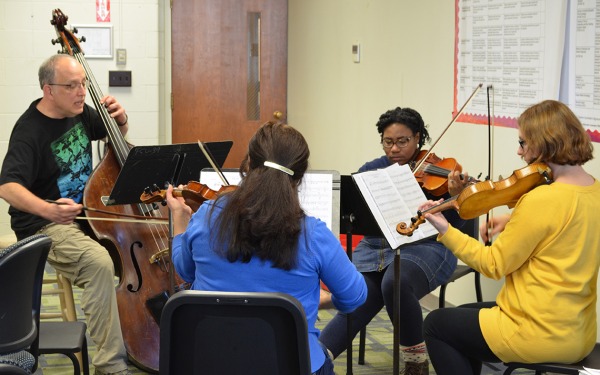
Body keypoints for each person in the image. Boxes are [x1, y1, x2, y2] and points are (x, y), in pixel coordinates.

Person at [165, 121, 368, 375]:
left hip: (209, 361)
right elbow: (354, 298)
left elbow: (185, 270)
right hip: (292, 365)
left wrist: (180, 222)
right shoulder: (314, 235)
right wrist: (324, 300)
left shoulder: (207, 214)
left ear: (248, 164)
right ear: (300, 176)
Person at [421, 99, 600, 375]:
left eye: (523, 143)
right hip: (579, 332)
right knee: (465, 314)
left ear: (544, 143)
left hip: (537, 334)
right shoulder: (593, 190)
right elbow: (563, 231)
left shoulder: (541, 199)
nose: (519, 151)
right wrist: (511, 219)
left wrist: (446, 230)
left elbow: (494, 264)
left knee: (436, 324)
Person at [0, 54, 132, 375]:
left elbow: (115, 134)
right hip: (45, 224)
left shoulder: (80, 113)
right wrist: (49, 209)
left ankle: (133, 335)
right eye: (71, 86)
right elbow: (7, 186)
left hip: (86, 215)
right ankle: (110, 365)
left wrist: (122, 117)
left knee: (133, 250)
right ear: (49, 90)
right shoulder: (29, 131)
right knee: (99, 263)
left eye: (83, 83)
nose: (81, 92)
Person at [319, 106, 469, 375]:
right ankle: (317, 357)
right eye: (389, 142)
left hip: (430, 246)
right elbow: (357, 217)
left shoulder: (440, 174)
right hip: (378, 248)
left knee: (395, 282)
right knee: (358, 293)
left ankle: (415, 361)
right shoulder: (371, 171)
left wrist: (458, 197)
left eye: (403, 141)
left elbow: (458, 226)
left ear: (418, 138)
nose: (395, 149)